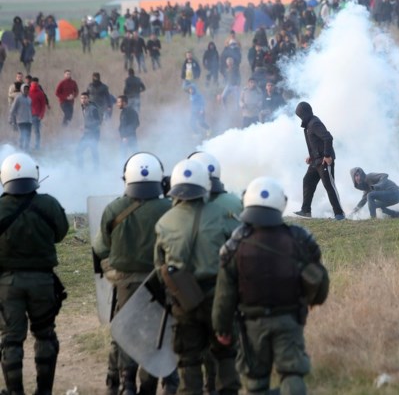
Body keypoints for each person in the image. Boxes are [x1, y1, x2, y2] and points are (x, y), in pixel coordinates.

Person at [212, 177, 329, 394]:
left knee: (256, 380)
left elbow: (224, 294)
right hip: (289, 319)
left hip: (252, 324)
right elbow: (319, 278)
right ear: (281, 204)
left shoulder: (235, 245)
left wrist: (222, 328)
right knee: (291, 373)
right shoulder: (299, 238)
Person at [154, 159, 241, 395]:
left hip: (184, 300)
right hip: (219, 299)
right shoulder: (223, 214)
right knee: (225, 354)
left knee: (189, 360)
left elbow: (160, 266)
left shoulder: (164, 222)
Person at [94, 153, 170, 395]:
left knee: (126, 332)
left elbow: (102, 247)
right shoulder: (170, 208)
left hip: (125, 283)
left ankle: (125, 382)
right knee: (154, 335)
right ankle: (148, 386)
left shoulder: (114, 208)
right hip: (159, 283)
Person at [0, 153, 69, 395]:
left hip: (7, 283)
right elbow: (61, 233)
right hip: (42, 281)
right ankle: (44, 391)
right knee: (45, 335)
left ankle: (15, 391)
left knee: (11, 340)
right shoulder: (48, 204)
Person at [293, 101, 345, 220]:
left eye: (300, 114)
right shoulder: (308, 125)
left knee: (329, 186)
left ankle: (339, 214)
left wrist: (327, 155)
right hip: (315, 161)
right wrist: (311, 156)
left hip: (324, 161)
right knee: (307, 181)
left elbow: (328, 138)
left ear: (304, 113)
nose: (300, 117)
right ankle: (306, 210)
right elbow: (315, 143)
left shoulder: (314, 123)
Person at [77, 91, 101, 169]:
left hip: (94, 134)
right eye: (81, 98)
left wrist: (86, 126)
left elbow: (98, 122)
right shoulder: (84, 107)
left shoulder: (93, 109)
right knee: (79, 151)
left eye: (85, 98)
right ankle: (80, 170)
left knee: (93, 152)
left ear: (88, 99)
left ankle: (96, 171)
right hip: (87, 133)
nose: (83, 100)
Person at [9, 84, 33, 151]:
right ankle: (20, 150)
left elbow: (30, 110)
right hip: (20, 120)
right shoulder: (18, 98)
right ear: (22, 90)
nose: (26, 91)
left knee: (28, 137)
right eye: (25, 89)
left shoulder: (29, 99)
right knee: (22, 136)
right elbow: (13, 109)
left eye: (27, 89)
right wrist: (11, 120)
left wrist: (31, 119)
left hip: (29, 121)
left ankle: (27, 150)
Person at [28, 78, 48, 151]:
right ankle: (27, 146)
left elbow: (43, 105)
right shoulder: (27, 92)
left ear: (38, 84)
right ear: (31, 83)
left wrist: (41, 115)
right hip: (27, 115)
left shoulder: (40, 93)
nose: (34, 85)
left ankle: (37, 146)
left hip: (36, 116)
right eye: (33, 83)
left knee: (36, 132)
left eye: (36, 83)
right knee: (27, 132)